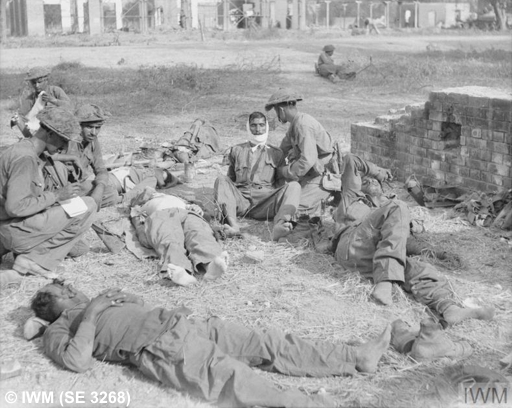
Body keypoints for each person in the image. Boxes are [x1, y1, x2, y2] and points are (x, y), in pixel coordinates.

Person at [31, 280, 392, 408]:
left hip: (183, 324)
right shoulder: (59, 329)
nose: (71, 289)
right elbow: (78, 362)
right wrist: (92, 312)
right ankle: (314, 404)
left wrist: (122, 298)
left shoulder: (98, 298)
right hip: (161, 349)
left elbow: (139, 306)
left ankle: (356, 356)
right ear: (51, 305)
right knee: (235, 381)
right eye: (62, 291)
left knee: (267, 342)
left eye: (68, 286)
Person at [332, 153, 495, 325]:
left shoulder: (390, 211)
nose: (371, 181)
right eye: (365, 181)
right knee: (399, 207)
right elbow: (351, 159)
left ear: (382, 190)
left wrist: (437, 253)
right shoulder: (352, 196)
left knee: (421, 270)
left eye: (374, 181)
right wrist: (377, 172)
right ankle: (385, 281)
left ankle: (449, 308)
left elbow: (401, 243)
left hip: (372, 260)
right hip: (352, 243)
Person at [0, 108, 98, 288]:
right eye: (63, 140)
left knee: (79, 247)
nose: (64, 146)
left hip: (8, 228)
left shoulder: (23, 149)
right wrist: (57, 195)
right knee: (88, 205)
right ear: (50, 133)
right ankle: (32, 260)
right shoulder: (25, 159)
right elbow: (15, 207)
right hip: (12, 230)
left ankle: (30, 253)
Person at [213, 111, 301, 240]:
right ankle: (233, 225)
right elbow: (230, 179)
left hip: (265, 201)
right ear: (248, 126)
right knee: (221, 179)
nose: (258, 129)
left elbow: (280, 183)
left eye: (261, 125)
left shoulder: (276, 153)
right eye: (253, 125)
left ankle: (280, 225)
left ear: (267, 127)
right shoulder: (236, 150)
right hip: (241, 200)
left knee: (294, 186)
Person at [264, 90, 337, 241]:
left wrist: (284, 172)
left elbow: (308, 160)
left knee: (296, 207)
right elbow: (282, 149)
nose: (277, 116)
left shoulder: (303, 125)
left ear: (281, 110)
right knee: (286, 198)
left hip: (323, 176)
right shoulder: (295, 124)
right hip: (311, 174)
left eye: (276, 111)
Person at [129, 188, 229, 286]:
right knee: (170, 239)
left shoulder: (178, 198)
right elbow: (138, 225)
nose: (149, 190)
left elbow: (207, 217)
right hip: (162, 215)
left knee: (199, 233)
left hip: (188, 213)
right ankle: (180, 271)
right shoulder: (139, 207)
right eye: (144, 192)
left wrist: (199, 211)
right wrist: (143, 231)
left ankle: (211, 265)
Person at [12, 67, 72, 138]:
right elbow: (21, 113)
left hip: (57, 128)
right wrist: (17, 119)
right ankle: (31, 140)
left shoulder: (55, 91)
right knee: (18, 119)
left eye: (39, 82)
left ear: (46, 81)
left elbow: (69, 106)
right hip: (39, 129)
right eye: (34, 83)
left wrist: (53, 100)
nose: (37, 86)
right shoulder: (32, 97)